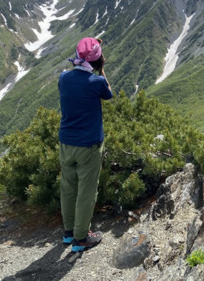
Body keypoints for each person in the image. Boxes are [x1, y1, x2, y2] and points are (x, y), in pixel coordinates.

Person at [58, 37, 113, 252]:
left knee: (68, 187)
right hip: (89, 145)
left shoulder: (63, 78)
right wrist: (102, 69)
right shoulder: (97, 83)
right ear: (98, 61)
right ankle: (81, 238)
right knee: (86, 191)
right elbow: (108, 94)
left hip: (66, 143)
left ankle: (68, 232)